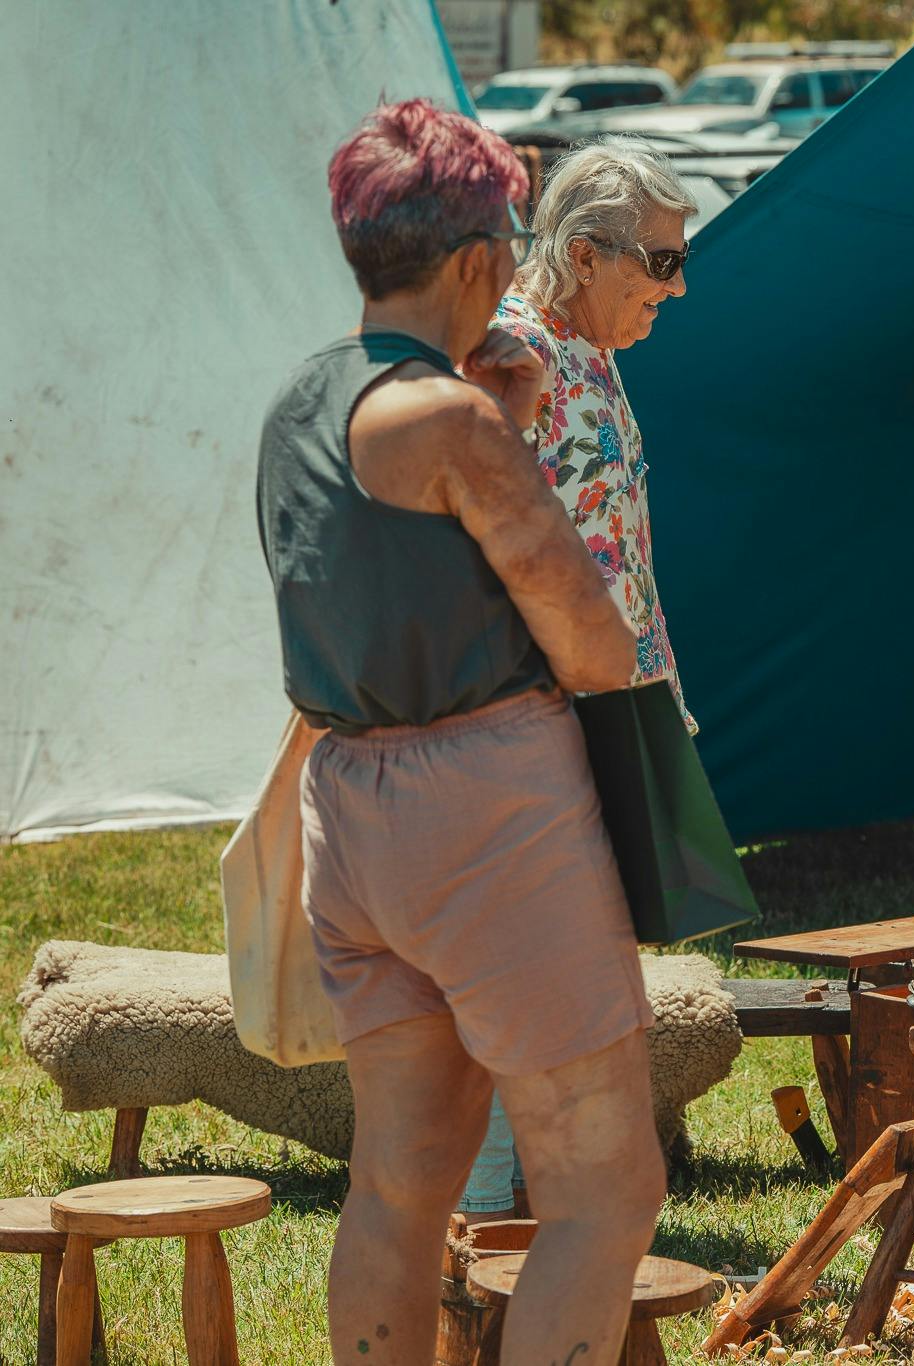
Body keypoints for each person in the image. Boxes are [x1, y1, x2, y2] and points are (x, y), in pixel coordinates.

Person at [256, 100, 666, 1365]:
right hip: (489, 816)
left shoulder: (296, 404)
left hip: (351, 815)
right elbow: (594, 642)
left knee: (402, 1172)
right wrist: (504, 428)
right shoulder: (452, 423)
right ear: (484, 259)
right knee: (606, 1186)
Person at [453, 136, 699, 1220]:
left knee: (585, 965)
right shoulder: (513, 354)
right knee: (537, 974)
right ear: (586, 252)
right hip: (539, 716)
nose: (675, 286)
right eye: (659, 260)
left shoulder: (591, 352)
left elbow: (618, 548)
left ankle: (545, 1207)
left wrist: (660, 693)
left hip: (610, 706)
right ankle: (496, 1215)